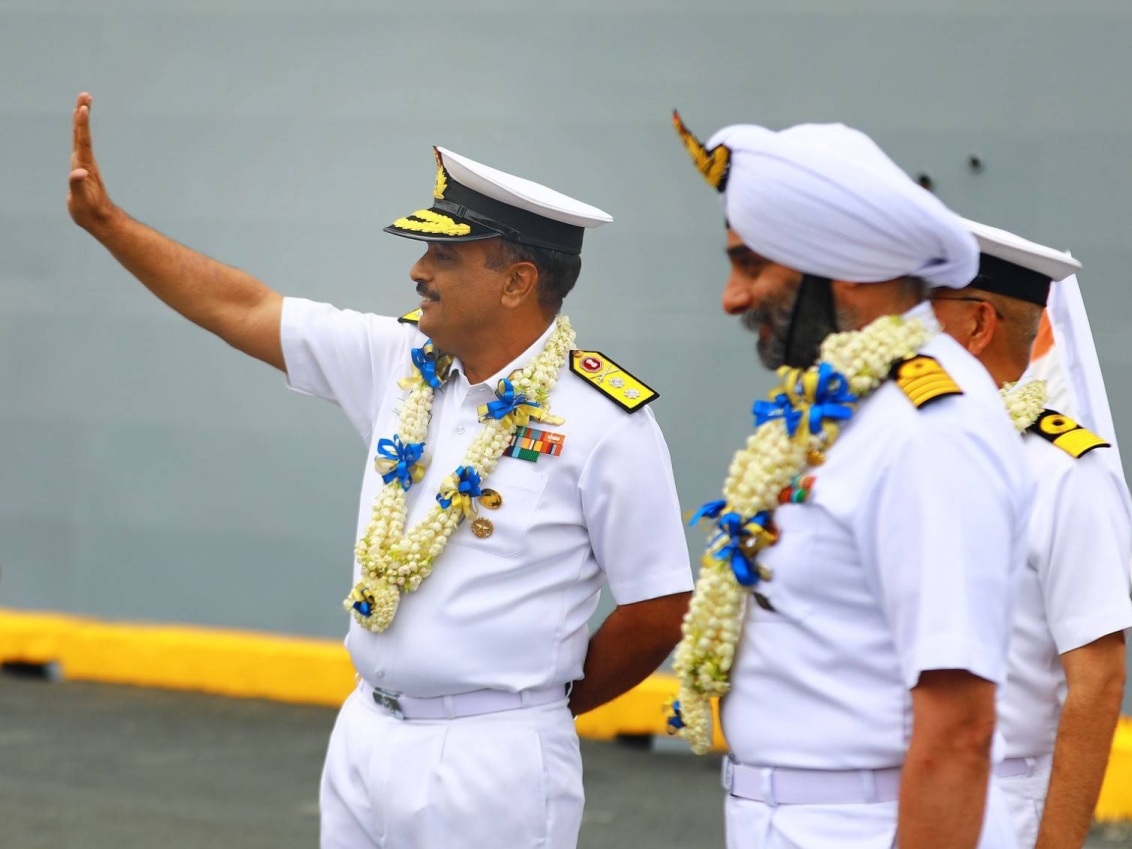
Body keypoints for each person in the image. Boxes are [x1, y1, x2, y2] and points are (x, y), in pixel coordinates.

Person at [66, 91, 694, 849]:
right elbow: (242, 308)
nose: (417, 270)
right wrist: (109, 225)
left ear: (517, 281)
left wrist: (534, 707)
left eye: (445, 255)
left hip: (489, 760)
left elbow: (659, 607)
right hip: (366, 732)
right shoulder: (400, 363)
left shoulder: (604, 418)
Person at [669, 113, 1031, 849]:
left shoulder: (930, 430)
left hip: (865, 823)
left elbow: (959, 724)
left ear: (839, 265)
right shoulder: (848, 411)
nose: (732, 298)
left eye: (752, 266)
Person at [931, 221, 1132, 849]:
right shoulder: (887, 450)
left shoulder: (1065, 473)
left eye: (916, 311)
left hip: (994, 804)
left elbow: (1098, 679)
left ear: (977, 324)